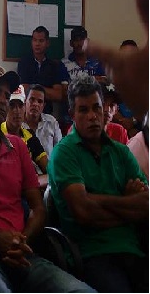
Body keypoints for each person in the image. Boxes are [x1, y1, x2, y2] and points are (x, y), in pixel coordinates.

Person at [0, 66, 94, 293]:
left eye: (6, 94)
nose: (4, 100)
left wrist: (19, 242)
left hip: (22, 252)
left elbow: (38, 208)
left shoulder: (19, 147)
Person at [48, 74, 148, 292]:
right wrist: (127, 203)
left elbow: (147, 204)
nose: (93, 116)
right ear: (72, 115)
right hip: (93, 254)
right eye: (83, 110)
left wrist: (97, 199)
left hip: (135, 248)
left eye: (97, 108)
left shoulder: (121, 152)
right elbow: (84, 212)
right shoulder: (64, 153)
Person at [86, 0, 148, 124]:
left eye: (133, 57)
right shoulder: (111, 82)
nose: (129, 63)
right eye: (124, 56)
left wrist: (137, 120)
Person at [17, 25, 66, 115]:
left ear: (47, 43)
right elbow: (24, 90)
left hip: (47, 113)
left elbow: (58, 95)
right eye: (35, 40)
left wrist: (34, 87)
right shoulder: (24, 63)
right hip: (27, 112)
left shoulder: (54, 66)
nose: (37, 44)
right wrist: (46, 91)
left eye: (41, 41)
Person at [1, 84, 48, 174]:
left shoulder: (29, 135)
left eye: (20, 105)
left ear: (25, 107)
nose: (17, 111)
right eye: (12, 105)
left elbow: (48, 168)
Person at [23, 84, 63, 156]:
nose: (35, 104)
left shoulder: (52, 122)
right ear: (25, 101)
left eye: (40, 101)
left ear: (43, 106)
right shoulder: (17, 123)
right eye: (32, 100)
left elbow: (60, 152)